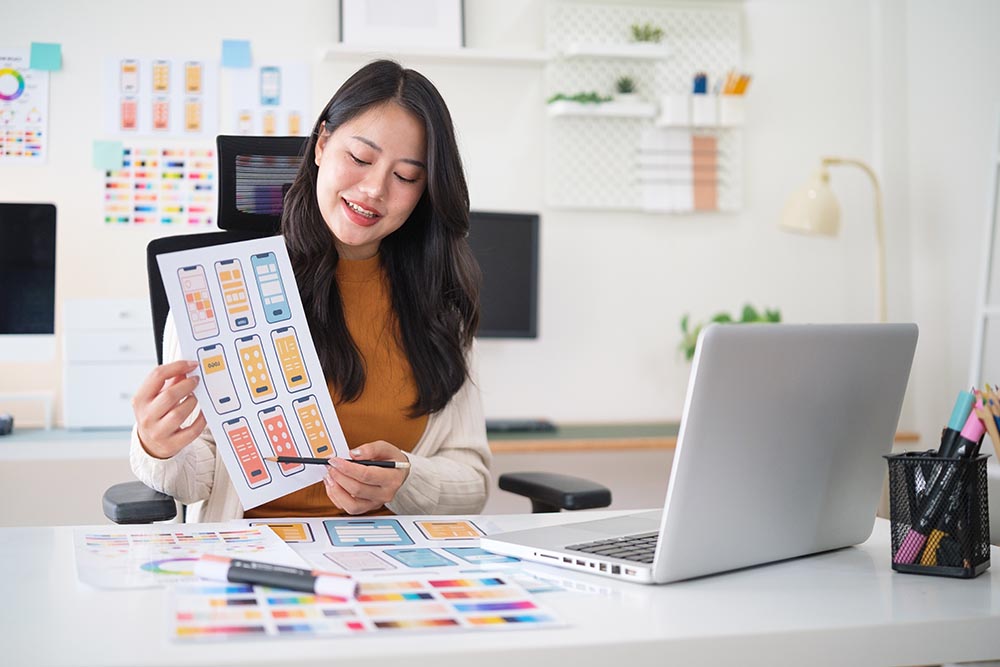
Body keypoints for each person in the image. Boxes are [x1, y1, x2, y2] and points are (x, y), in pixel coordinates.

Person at [129, 60, 490, 522]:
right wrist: (157, 446)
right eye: (360, 159)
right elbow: (196, 480)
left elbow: (472, 482)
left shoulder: (440, 302)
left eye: (405, 177)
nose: (375, 189)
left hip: (389, 565)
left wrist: (406, 477)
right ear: (322, 143)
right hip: (257, 560)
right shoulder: (218, 287)